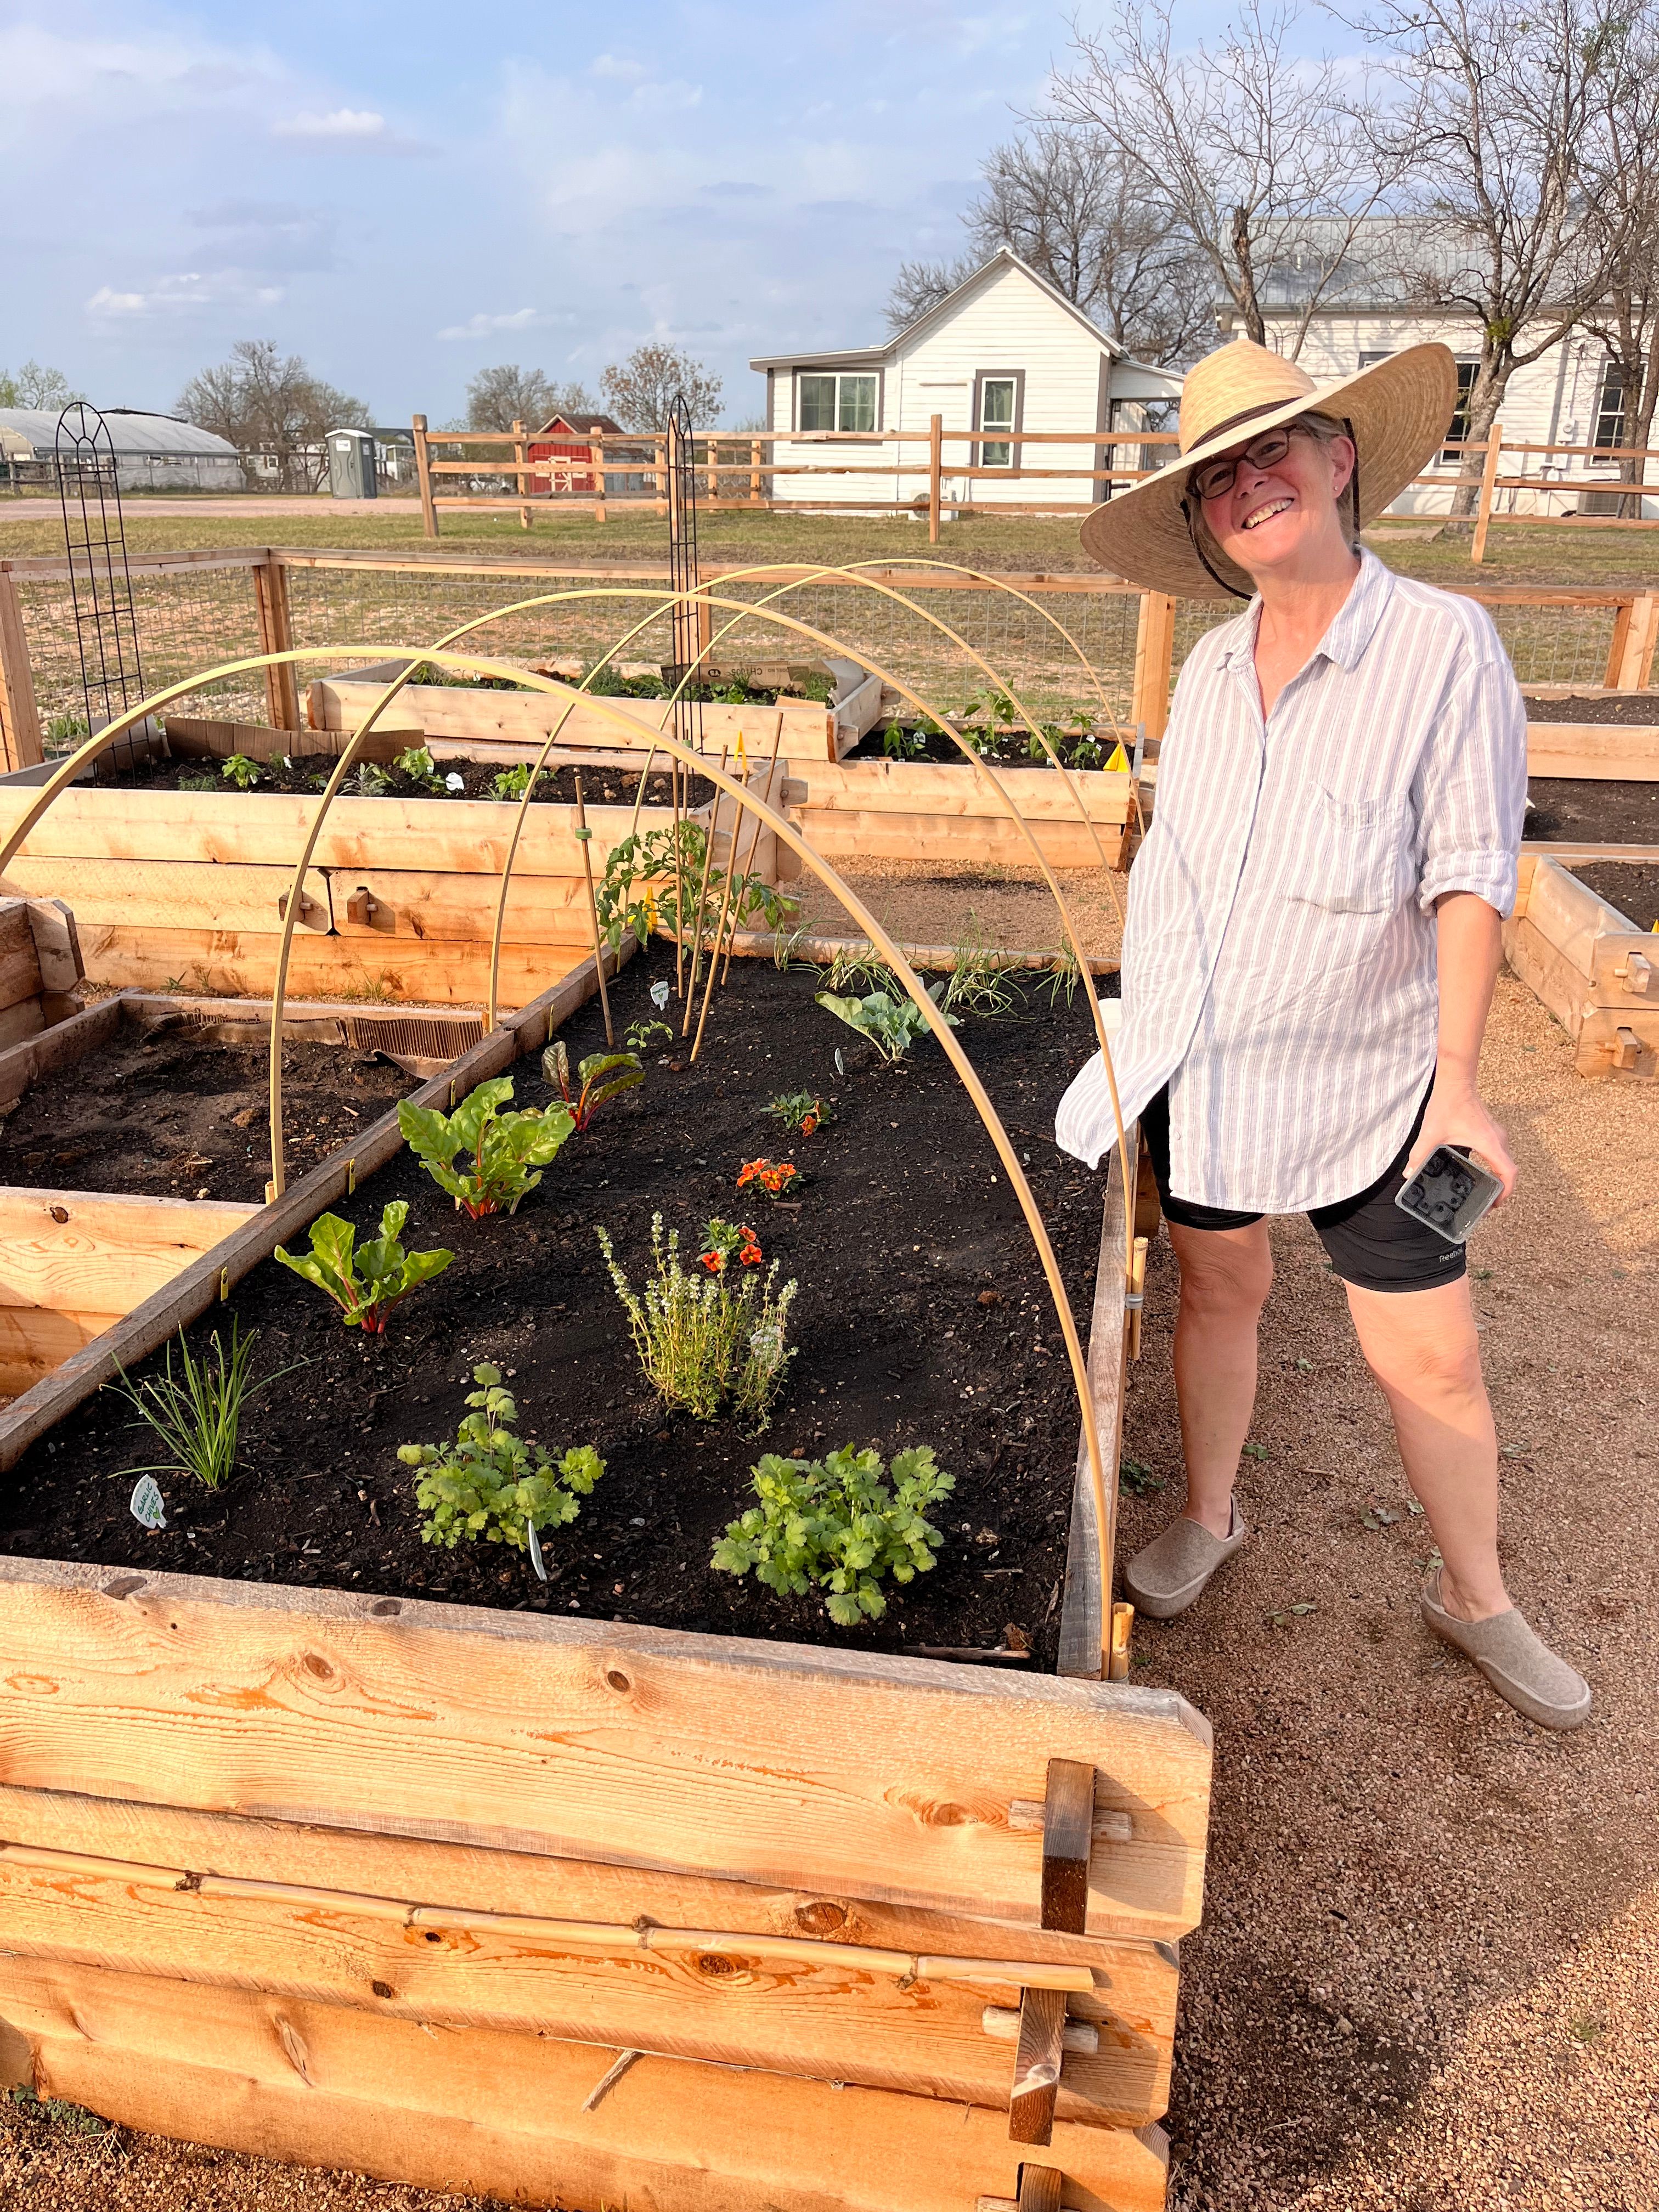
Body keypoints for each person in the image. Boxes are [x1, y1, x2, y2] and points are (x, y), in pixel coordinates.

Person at [1057, 337, 1590, 1730]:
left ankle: (1474, 1595)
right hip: (1215, 1076)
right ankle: (1214, 1515)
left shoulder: (1441, 646)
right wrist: (1141, 1036)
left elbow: (1471, 872)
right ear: (1205, 526)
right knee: (1218, 1288)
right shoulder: (1212, 669)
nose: (1247, 487)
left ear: (1341, 461)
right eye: (1216, 479)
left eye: (1272, 454)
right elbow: (1179, 868)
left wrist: (1458, 1088)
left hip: (1375, 1084)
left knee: (1432, 1355)